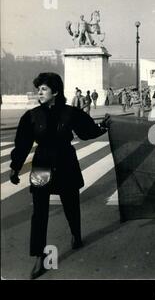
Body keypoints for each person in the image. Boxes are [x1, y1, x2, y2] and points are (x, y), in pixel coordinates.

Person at [9, 72, 111, 279]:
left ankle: (76, 234)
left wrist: (102, 127)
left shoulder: (71, 113)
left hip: (66, 162)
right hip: (41, 165)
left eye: (44, 89)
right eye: (39, 89)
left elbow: (86, 132)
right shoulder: (31, 116)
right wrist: (15, 167)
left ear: (55, 91)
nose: (40, 92)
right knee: (39, 211)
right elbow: (22, 144)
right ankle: (39, 256)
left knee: (71, 203)